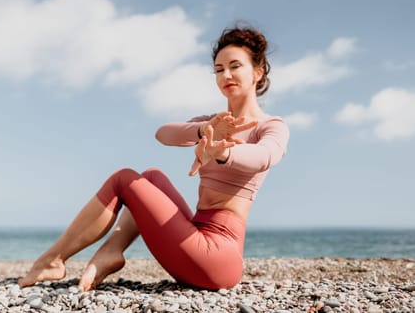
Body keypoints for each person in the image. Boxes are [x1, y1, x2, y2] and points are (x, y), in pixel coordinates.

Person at [18, 24, 290, 290]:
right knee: (152, 177)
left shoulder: (271, 126)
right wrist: (203, 130)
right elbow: (163, 134)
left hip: (218, 256)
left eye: (235, 66)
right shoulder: (214, 124)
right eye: (219, 69)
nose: (225, 75)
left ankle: (53, 260)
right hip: (199, 232)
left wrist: (224, 152)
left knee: (124, 179)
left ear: (258, 71)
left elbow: (265, 156)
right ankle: (111, 251)